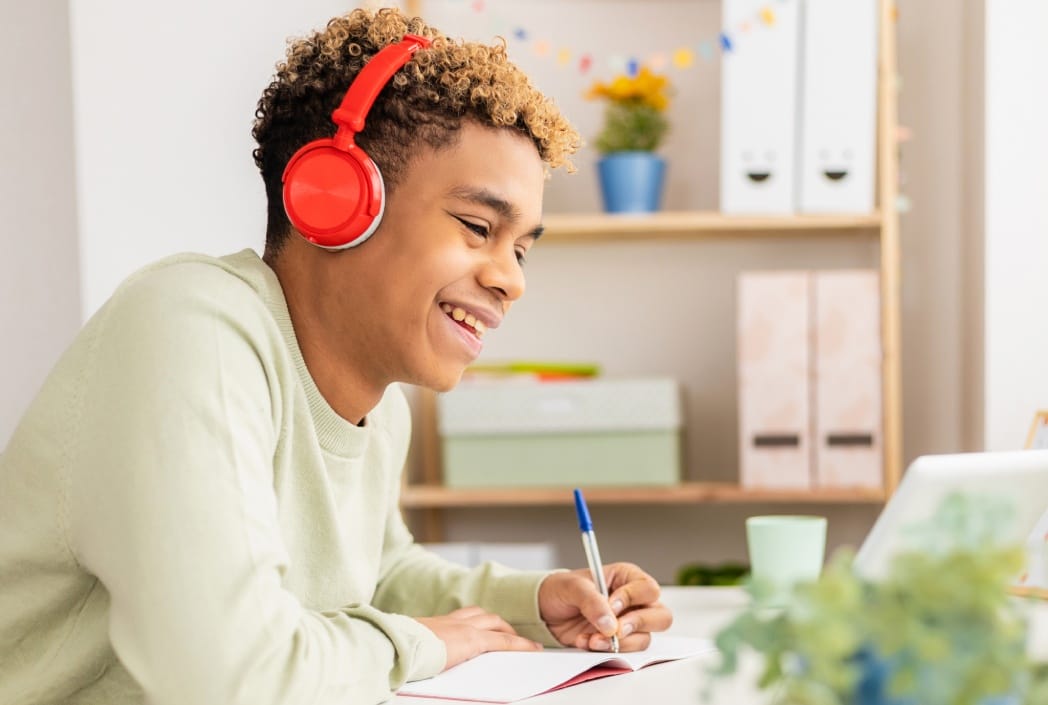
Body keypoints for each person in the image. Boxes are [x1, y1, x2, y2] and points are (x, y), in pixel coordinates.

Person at [0, 7, 672, 705]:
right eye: (478, 227)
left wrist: (534, 602)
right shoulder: (188, 327)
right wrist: (424, 640)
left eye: (523, 247)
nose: (513, 278)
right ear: (336, 201)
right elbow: (229, 678)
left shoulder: (382, 411)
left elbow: (374, 573)